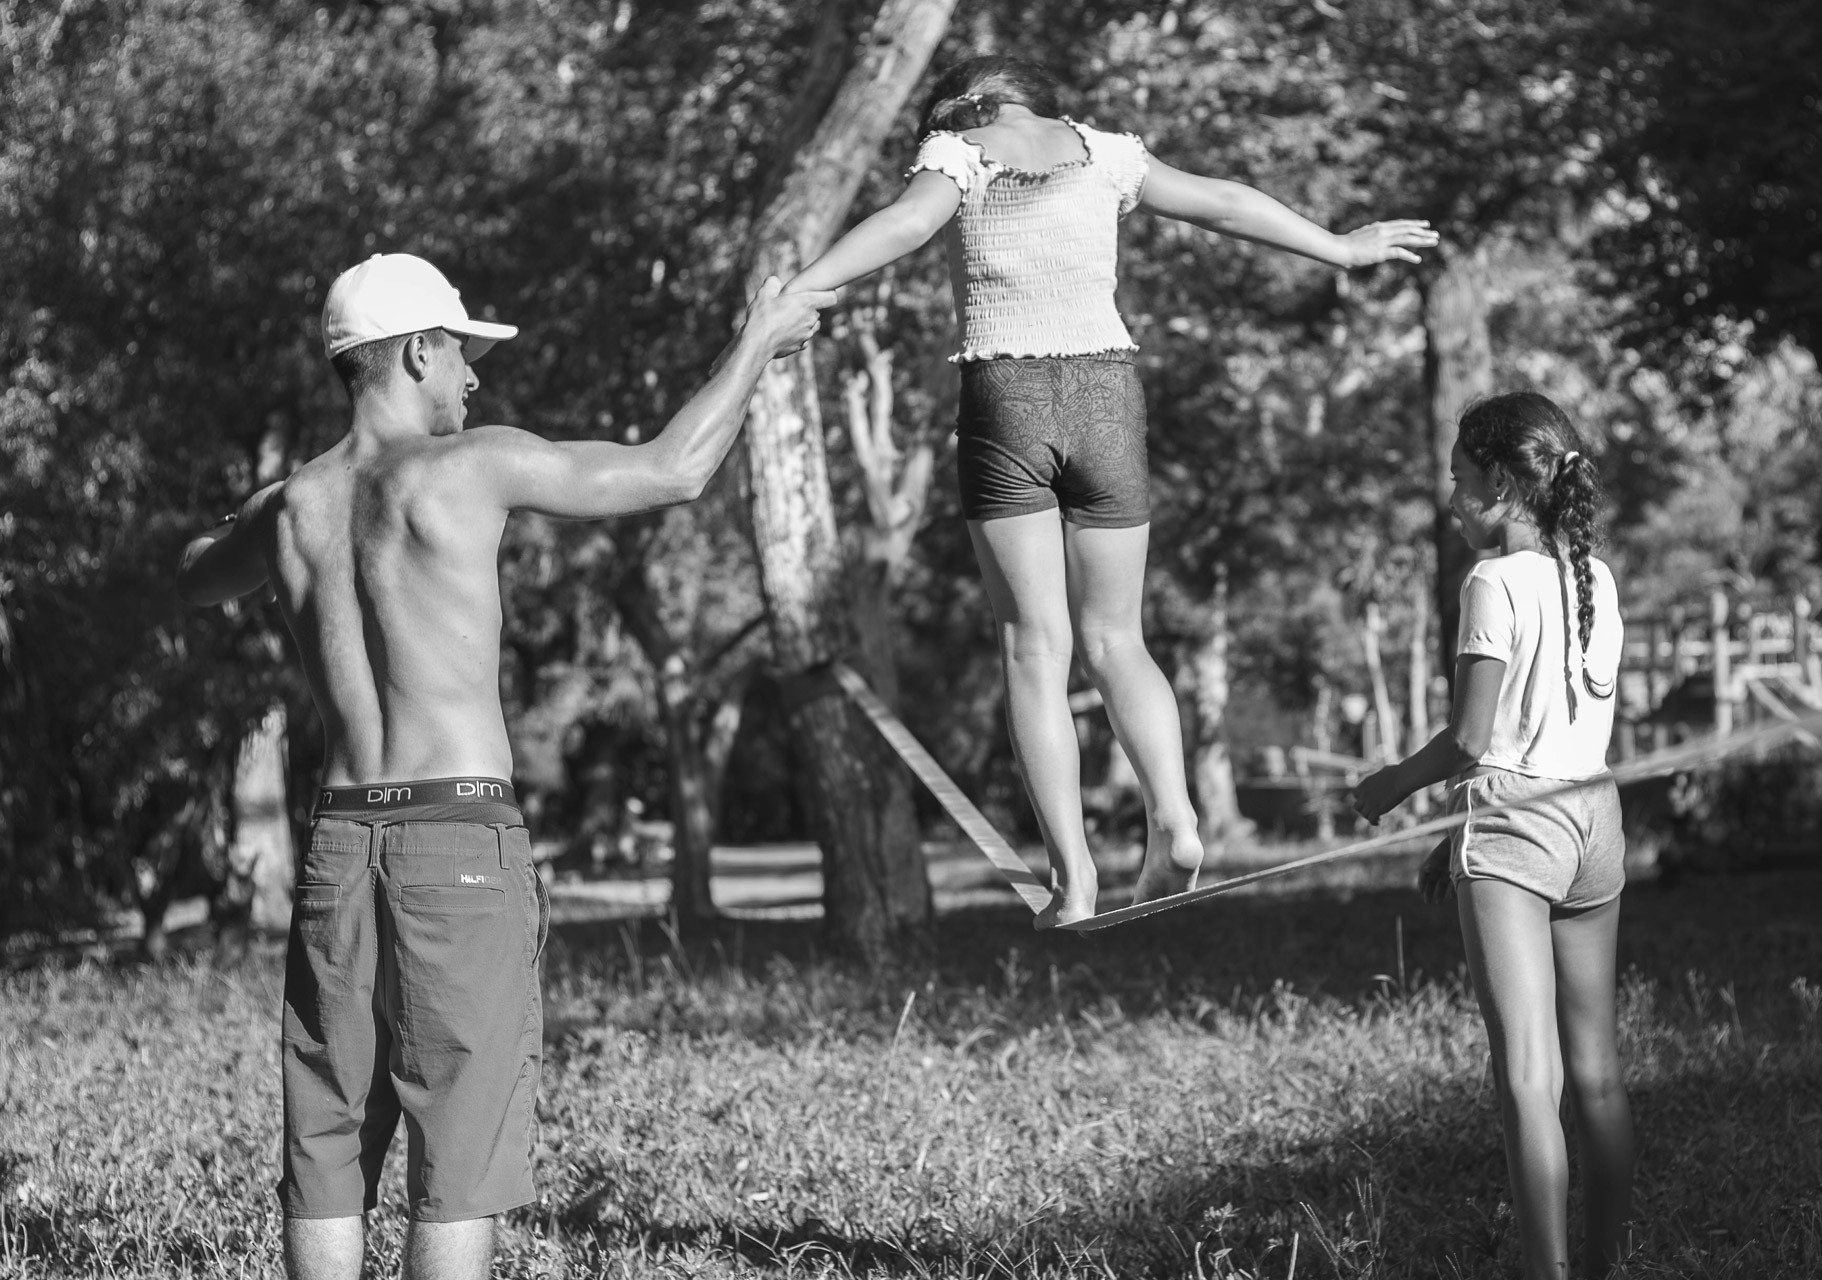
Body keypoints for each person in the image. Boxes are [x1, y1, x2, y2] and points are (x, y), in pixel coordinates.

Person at [176, 252, 829, 1280]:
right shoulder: (473, 463)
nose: (473, 379)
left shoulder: (290, 508)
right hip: (456, 838)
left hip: (340, 840)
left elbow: (192, 579)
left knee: (327, 1138)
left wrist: (267, 506)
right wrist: (759, 339)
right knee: (459, 1146)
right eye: (464, 354)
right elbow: (675, 469)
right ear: (418, 351)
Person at [780, 56, 1438, 926]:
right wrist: (1341, 247)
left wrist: (803, 288)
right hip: (1106, 397)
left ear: (968, 103)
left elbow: (904, 226)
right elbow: (1228, 200)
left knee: (1034, 648)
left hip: (1005, 396)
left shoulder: (957, 154)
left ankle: (1074, 878)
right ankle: (1175, 815)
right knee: (1117, 637)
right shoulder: (1107, 153)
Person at [1351, 391, 1634, 1280]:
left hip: (1514, 828)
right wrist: (1457, 837)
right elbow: (1547, 735)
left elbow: (1476, 741)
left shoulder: (1492, 581)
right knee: (1595, 1073)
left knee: (1526, 1079)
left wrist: (1391, 786)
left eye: (1461, 481)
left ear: (1508, 484)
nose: (1452, 499)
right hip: (1593, 821)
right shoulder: (1592, 574)